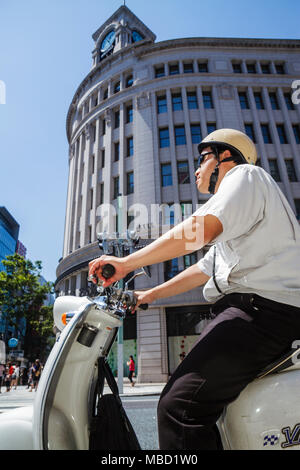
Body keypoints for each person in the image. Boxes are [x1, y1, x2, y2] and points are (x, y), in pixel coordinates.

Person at [89, 128, 300, 450]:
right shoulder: (242, 213)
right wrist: (147, 295)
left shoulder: (245, 176)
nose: (197, 168)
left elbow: (198, 231)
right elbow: (202, 269)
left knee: (180, 408)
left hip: (263, 312)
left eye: (203, 159)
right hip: (259, 311)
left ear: (225, 156)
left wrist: (126, 263)